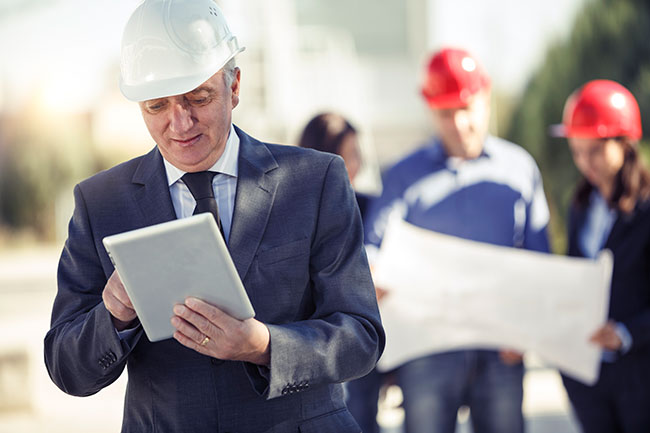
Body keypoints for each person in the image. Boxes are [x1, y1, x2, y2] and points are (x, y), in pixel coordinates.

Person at [43, 1, 384, 432]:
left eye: (198, 98)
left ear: (235, 85)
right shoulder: (102, 204)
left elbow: (361, 337)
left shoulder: (316, 181)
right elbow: (66, 368)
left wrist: (264, 345)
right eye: (156, 106)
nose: (179, 122)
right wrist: (111, 315)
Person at [363, 47, 550, 433]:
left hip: (502, 344)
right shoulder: (403, 175)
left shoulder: (519, 169)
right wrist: (372, 269)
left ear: (486, 99)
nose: (460, 123)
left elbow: (540, 259)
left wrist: (529, 329)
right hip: (428, 347)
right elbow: (373, 246)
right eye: (447, 113)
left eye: (467, 109)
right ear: (430, 110)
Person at [556, 79, 650, 433]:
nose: (584, 162)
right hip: (589, 379)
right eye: (577, 151)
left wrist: (626, 333)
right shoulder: (580, 206)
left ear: (625, 143)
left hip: (640, 379)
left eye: (594, 151)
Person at [298, 112, 386, 432]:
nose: (352, 167)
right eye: (344, 157)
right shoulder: (290, 211)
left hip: (363, 345)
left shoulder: (371, 206)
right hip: (314, 347)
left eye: (356, 156)